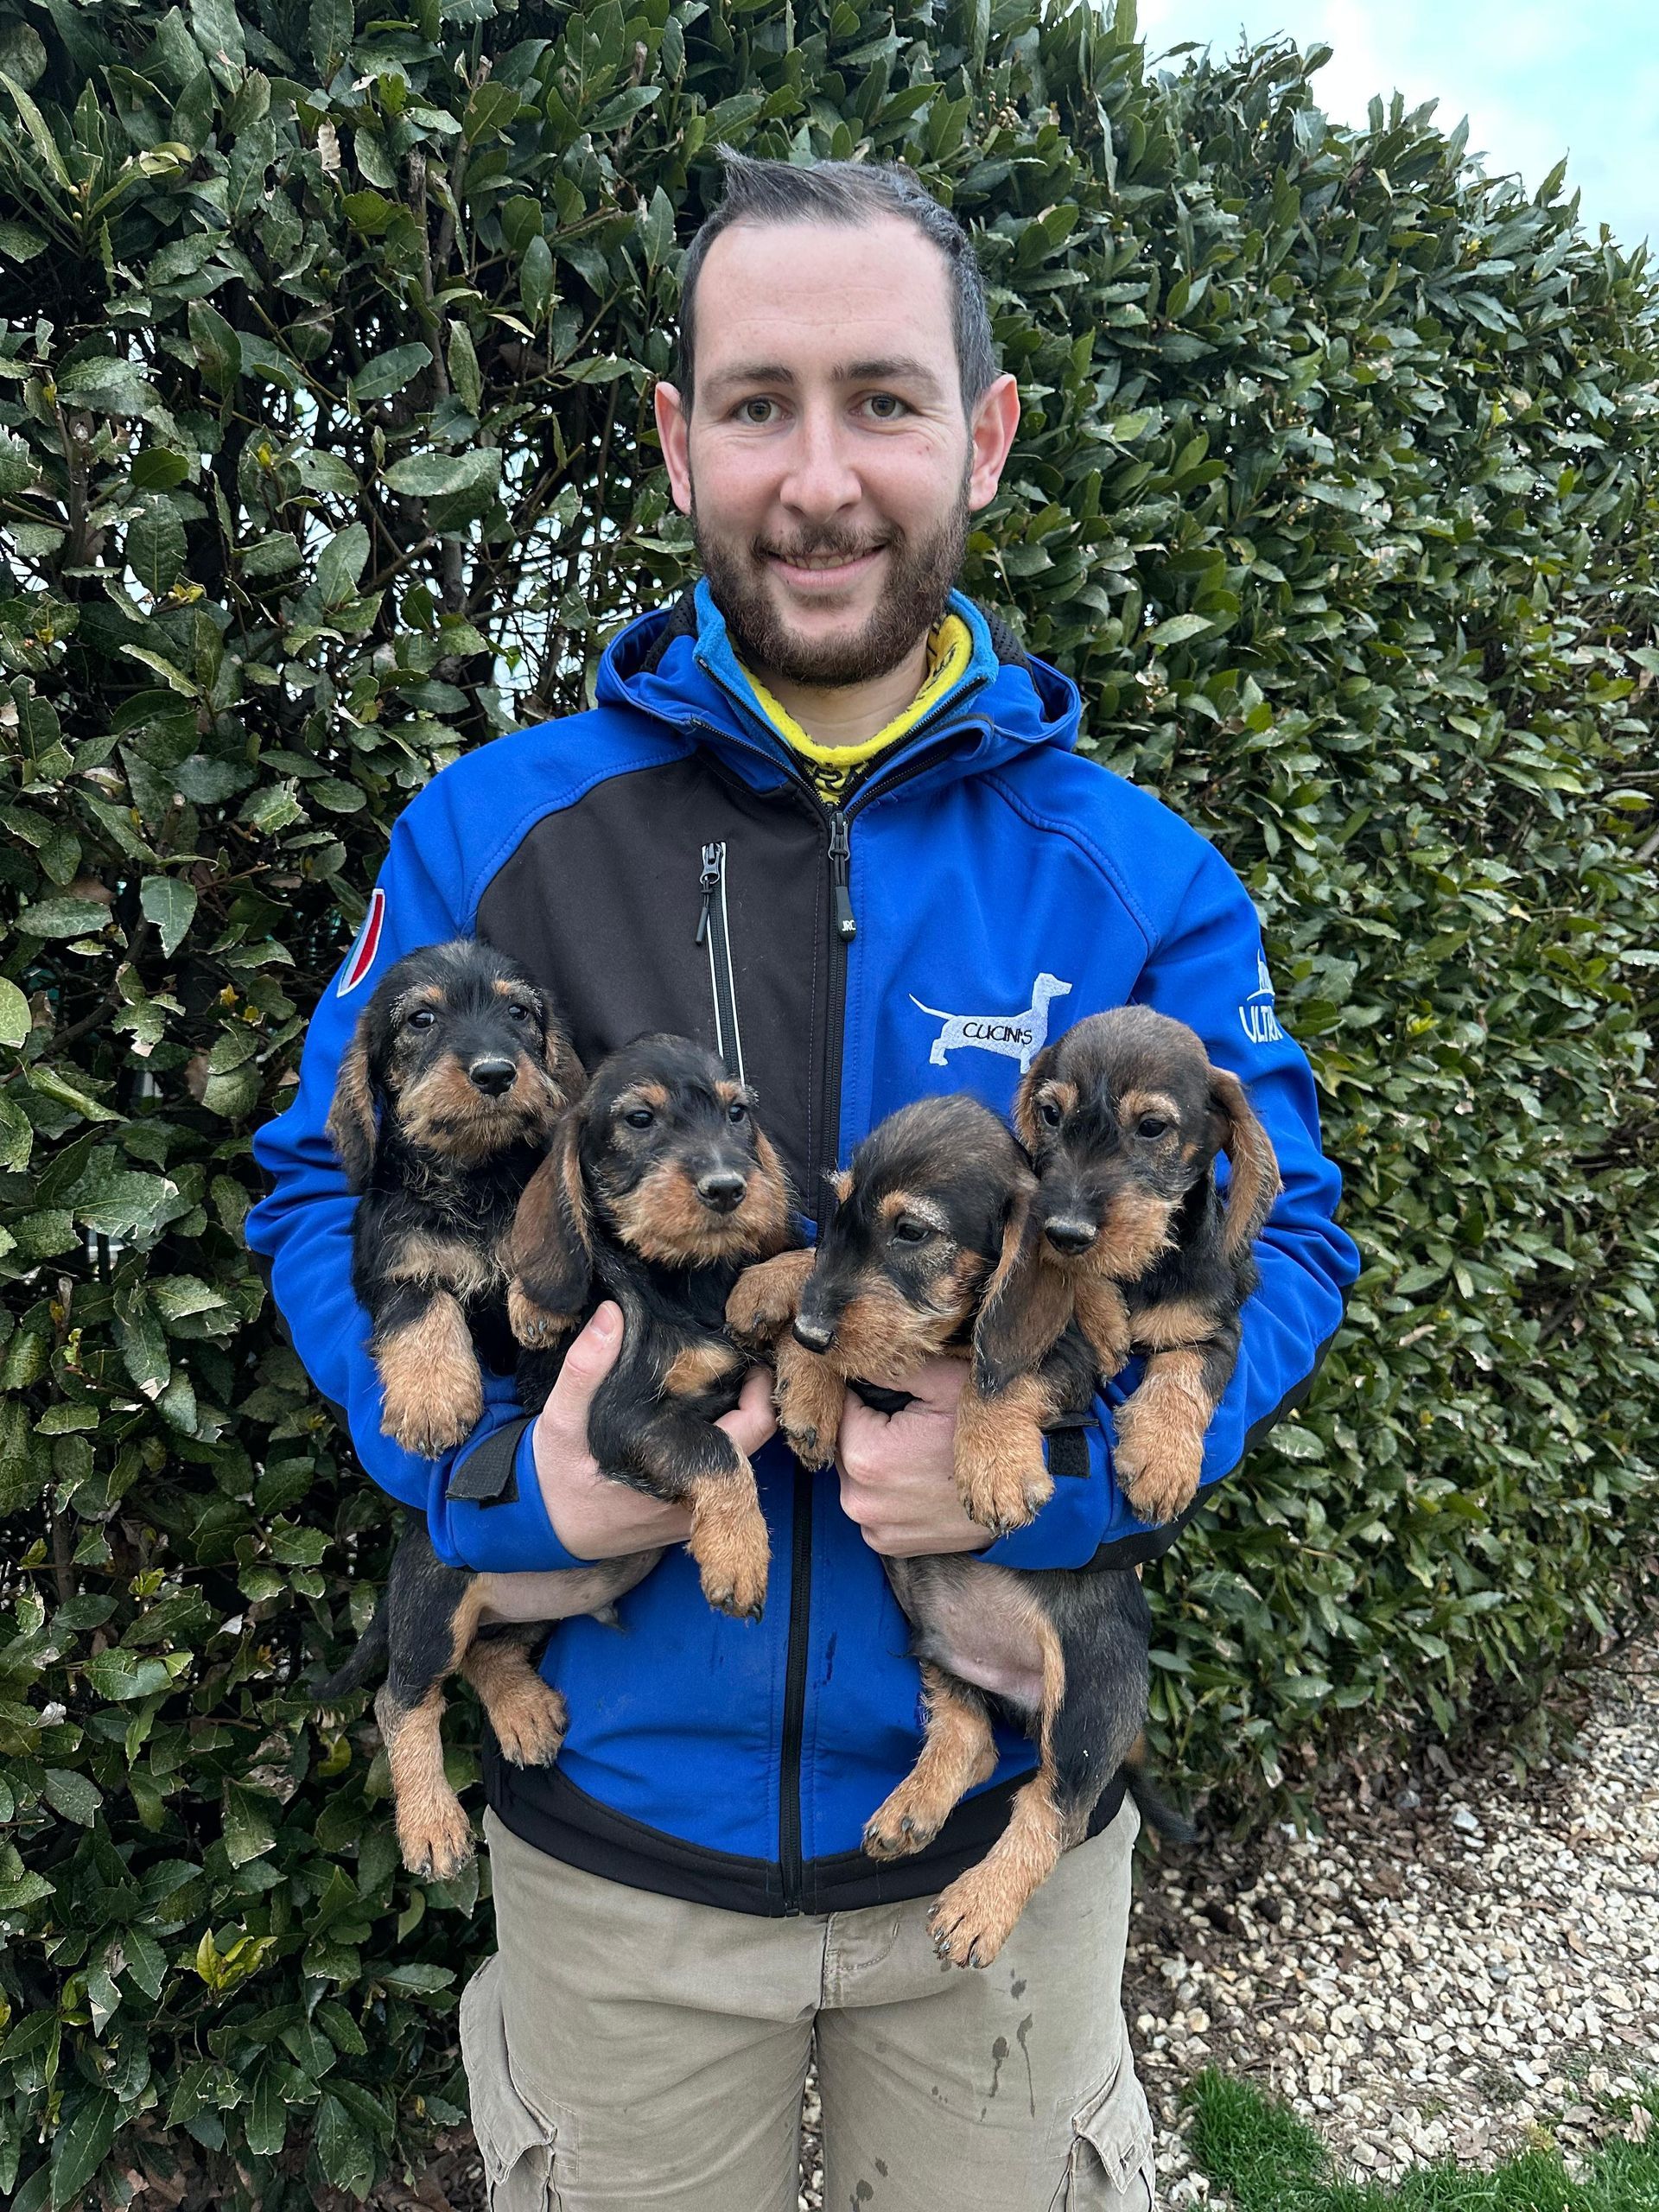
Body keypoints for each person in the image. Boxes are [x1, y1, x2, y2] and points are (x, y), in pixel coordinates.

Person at [246, 153, 1358, 2212]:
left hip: (997, 1840)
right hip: (623, 1861)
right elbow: (321, 1187)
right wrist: (495, 1485)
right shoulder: (496, 830)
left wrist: (1085, 1473)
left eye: (885, 398)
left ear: (988, 433)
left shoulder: (1137, 873)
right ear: (679, 442)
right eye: (759, 403)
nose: (822, 474)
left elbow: (1289, 1226)